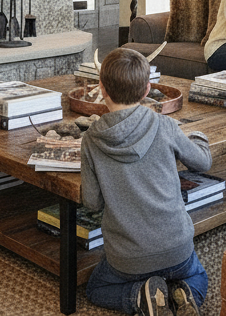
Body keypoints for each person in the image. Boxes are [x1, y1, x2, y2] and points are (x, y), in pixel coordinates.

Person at [82, 47, 213, 316]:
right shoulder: (164, 125)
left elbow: (92, 203)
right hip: (177, 249)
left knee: (95, 289)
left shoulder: (91, 140)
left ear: (102, 89)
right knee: (199, 277)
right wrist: (199, 137)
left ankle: (140, 297)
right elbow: (202, 163)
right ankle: (185, 293)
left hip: (127, 259)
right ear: (146, 91)